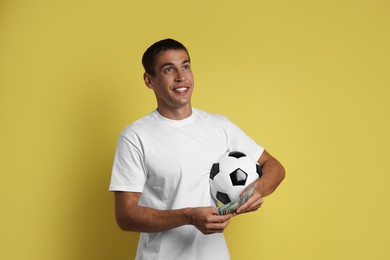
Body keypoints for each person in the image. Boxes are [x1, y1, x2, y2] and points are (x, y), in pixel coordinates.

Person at [109, 38, 285, 260]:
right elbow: (125, 216)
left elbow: (275, 167)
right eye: (168, 69)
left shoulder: (219, 126)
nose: (181, 76)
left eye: (185, 66)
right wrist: (189, 216)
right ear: (149, 80)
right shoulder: (135, 136)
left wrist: (257, 190)